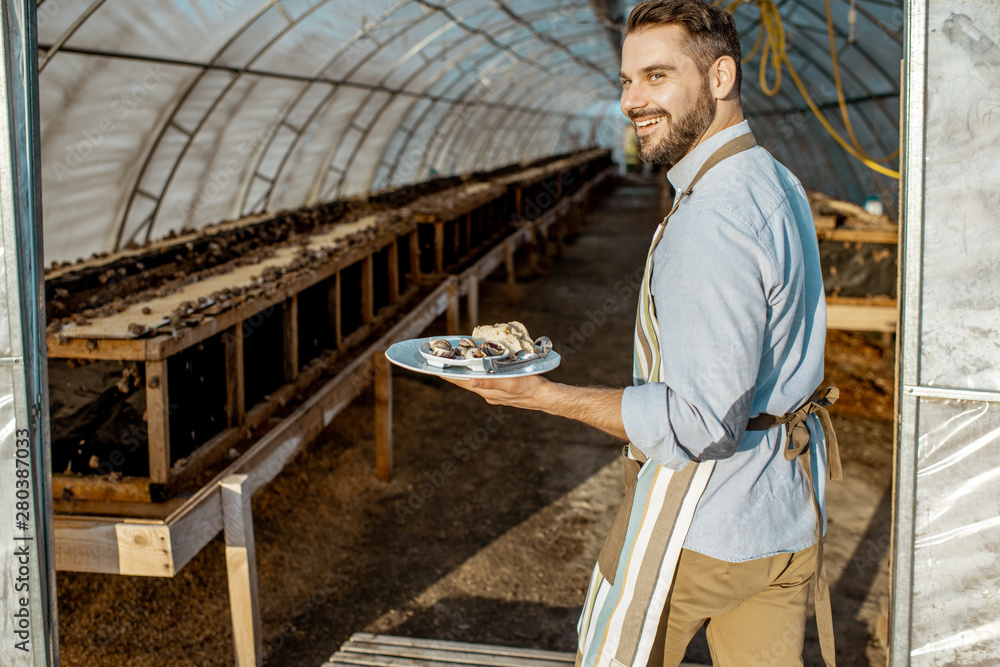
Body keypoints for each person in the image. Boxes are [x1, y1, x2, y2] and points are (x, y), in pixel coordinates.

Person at [447, 1, 840, 665]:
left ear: (720, 78)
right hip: (784, 513)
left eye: (657, 77)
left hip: (702, 524)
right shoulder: (775, 180)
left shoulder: (712, 216)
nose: (634, 101)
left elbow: (699, 422)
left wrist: (545, 396)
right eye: (627, 81)